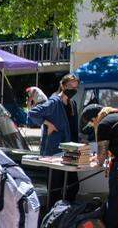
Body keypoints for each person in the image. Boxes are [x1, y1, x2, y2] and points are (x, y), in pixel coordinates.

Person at [26, 73, 81, 206]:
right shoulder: (54, 102)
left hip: (71, 150)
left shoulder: (72, 103)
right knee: (55, 186)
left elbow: (72, 125)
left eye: (75, 87)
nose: (73, 90)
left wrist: (80, 139)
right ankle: (52, 215)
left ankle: (67, 213)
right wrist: (48, 124)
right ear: (63, 86)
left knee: (72, 185)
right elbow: (33, 113)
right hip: (55, 150)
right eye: (70, 86)